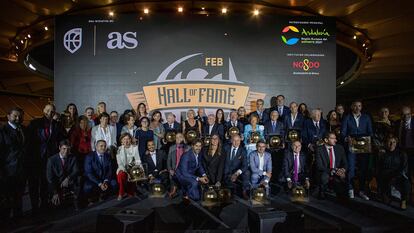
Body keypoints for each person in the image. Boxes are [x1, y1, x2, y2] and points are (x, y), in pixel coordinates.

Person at [27, 104, 65, 212]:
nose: (50, 112)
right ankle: (34, 206)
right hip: (36, 158)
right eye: (48, 110)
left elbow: (62, 138)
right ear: (43, 110)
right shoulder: (35, 123)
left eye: (52, 111)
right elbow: (29, 141)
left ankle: (44, 204)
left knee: (45, 181)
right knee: (34, 183)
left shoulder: (57, 124)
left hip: (50, 158)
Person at [341, 100, 373, 200]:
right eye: (355, 106)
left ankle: (362, 190)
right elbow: (343, 133)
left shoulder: (366, 118)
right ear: (352, 107)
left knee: (363, 169)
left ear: (361, 107)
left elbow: (370, 132)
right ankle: (350, 189)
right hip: (352, 145)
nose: (357, 108)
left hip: (364, 145)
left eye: (359, 106)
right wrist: (347, 139)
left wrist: (368, 139)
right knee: (351, 168)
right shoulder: (347, 118)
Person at [0, 107, 27, 219]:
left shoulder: (23, 129)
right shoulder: (2, 131)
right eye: (15, 115)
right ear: (8, 116)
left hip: (22, 169)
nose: (18, 118)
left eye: (20, 116)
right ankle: (5, 220)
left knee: (19, 195)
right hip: (8, 171)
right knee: (7, 198)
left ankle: (18, 217)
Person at [377, 135, 410, 210]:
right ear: (386, 143)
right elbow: (379, 168)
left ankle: (403, 201)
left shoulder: (401, 153)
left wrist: (396, 176)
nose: (392, 144)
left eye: (394, 142)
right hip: (386, 175)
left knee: (406, 182)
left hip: (398, 174)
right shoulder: (383, 153)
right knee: (385, 201)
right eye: (390, 142)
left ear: (396, 143)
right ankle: (385, 194)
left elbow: (404, 168)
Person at [46, 140, 79, 209]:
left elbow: (75, 171)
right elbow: (50, 178)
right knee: (57, 205)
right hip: (56, 184)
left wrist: (68, 178)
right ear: (59, 148)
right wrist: (55, 192)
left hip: (68, 182)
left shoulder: (72, 157)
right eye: (64, 148)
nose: (66, 151)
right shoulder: (51, 160)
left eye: (68, 149)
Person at [315, 132, 348, 199]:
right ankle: (322, 190)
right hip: (326, 172)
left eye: (335, 138)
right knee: (323, 176)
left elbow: (345, 163)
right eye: (332, 138)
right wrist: (332, 170)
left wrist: (343, 170)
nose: (335, 140)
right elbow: (319, 166)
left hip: (338, 172)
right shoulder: (319, 149)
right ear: (326, 140)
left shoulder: (340, 148)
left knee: (342, 195)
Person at [116, 133, 141, 200]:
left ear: (130, 140)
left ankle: (130, 192)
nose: (126, 141)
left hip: (133, 168)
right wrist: (127, 172)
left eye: (128, 139)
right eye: (124, 139)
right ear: (121, 141)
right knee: (121, 175)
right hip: (123, 168)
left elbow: (138, 160)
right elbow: (120, 163)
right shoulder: (119, 149)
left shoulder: (135, 148)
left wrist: (135, 168)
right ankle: (121, 193)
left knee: (134, 173)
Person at [223, 134, 249, 199]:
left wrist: (236, 173)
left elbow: (245, 165)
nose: (236, 142)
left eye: (238, 140)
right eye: (234, 140)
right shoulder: (225, 148)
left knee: (247, 172)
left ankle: (244, 191)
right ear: (231, 140)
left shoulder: (243, 150)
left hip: (237, 171)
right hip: (227, 170)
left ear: (240, 141)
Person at [397, 106, 414, 200]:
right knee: (405, 173)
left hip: (413, 151)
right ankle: (407, 194)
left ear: (411, 114)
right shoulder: (398, 123)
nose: (405, 116)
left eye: (407, 114)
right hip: (403, 152)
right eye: (403, 115)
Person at [167, 133, 190, 198]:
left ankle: (185, 192)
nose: (178, 138)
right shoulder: (172, 148)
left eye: (180, 137)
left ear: (183, 138)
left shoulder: (188, 148)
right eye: (176, 137)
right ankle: (174, 190)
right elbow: (168, 161)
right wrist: (170, 169)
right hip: (174, 169)